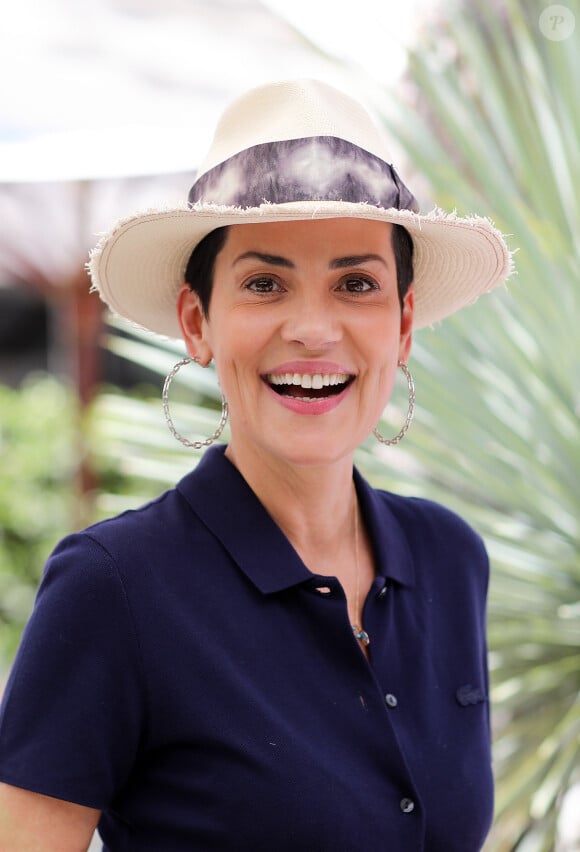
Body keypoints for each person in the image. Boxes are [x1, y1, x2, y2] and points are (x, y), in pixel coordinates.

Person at [0, 78, 512, 851]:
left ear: (403, 325)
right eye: (265, 283)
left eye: (357, 284)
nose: (313, 329)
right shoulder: (114, 588)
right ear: (198, 322)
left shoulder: (450, 558)